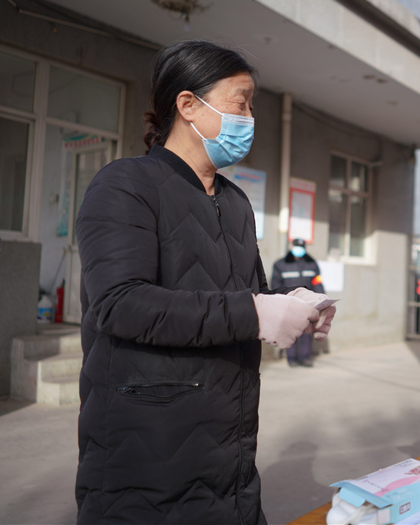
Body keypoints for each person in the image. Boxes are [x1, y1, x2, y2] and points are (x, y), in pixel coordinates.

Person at [74, 40, 337, 524]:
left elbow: (248, 298)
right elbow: (120, 303)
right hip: (146, 461)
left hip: (230, 457)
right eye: (241, 102)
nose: (250, 117)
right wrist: (254, 312)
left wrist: (294, 303)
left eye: (252, 105)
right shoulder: (124, 185)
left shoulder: (235, 202)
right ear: (188, 104)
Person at [271, 238, 326, 367]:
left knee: (306, 331)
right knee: (291, 331)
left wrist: (321, 299)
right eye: (296, 246)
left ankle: (305, 357)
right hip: (289, 303)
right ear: (291, 247)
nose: (298, 249)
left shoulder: (311, 263)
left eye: (301, 247)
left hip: (307, 304)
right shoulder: (281, 264)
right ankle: (291, 358)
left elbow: (317, 282)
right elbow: (275, 284)